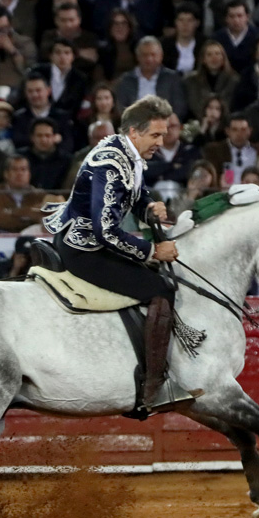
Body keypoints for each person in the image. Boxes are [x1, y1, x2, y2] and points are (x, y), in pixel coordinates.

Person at [42, 95, 199, 413]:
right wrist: (153, 250)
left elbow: (136, 193)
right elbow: (106, 231)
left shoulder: (127, 152)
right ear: (134, 132)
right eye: (156, 134)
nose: (162, 141)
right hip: (85, 250)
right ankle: (155, 386)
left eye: (164, 133)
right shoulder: (111, 164)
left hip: (90, 242)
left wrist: (148, 207)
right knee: (161, 288)